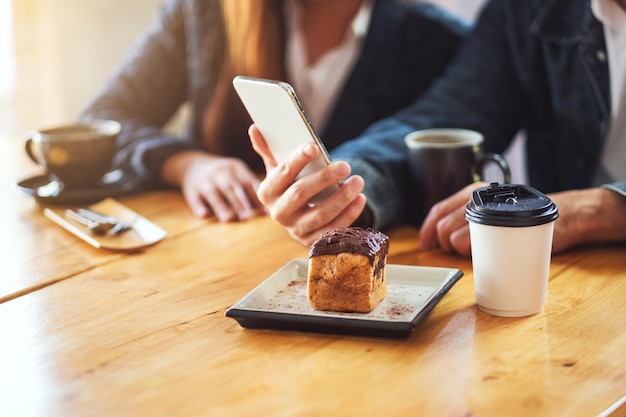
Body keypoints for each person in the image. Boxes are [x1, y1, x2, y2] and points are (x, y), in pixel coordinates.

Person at [250, 0, 626, 254]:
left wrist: (592, 211)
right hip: (566, 288)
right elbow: (446, 117)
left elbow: (579, 213)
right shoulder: (526, 9)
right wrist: (343, 192)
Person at [79, 0, 467, 223]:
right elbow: (101, 120)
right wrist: (186, 165)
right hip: (215, 269)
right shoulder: (209, 12)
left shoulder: (436, 42)